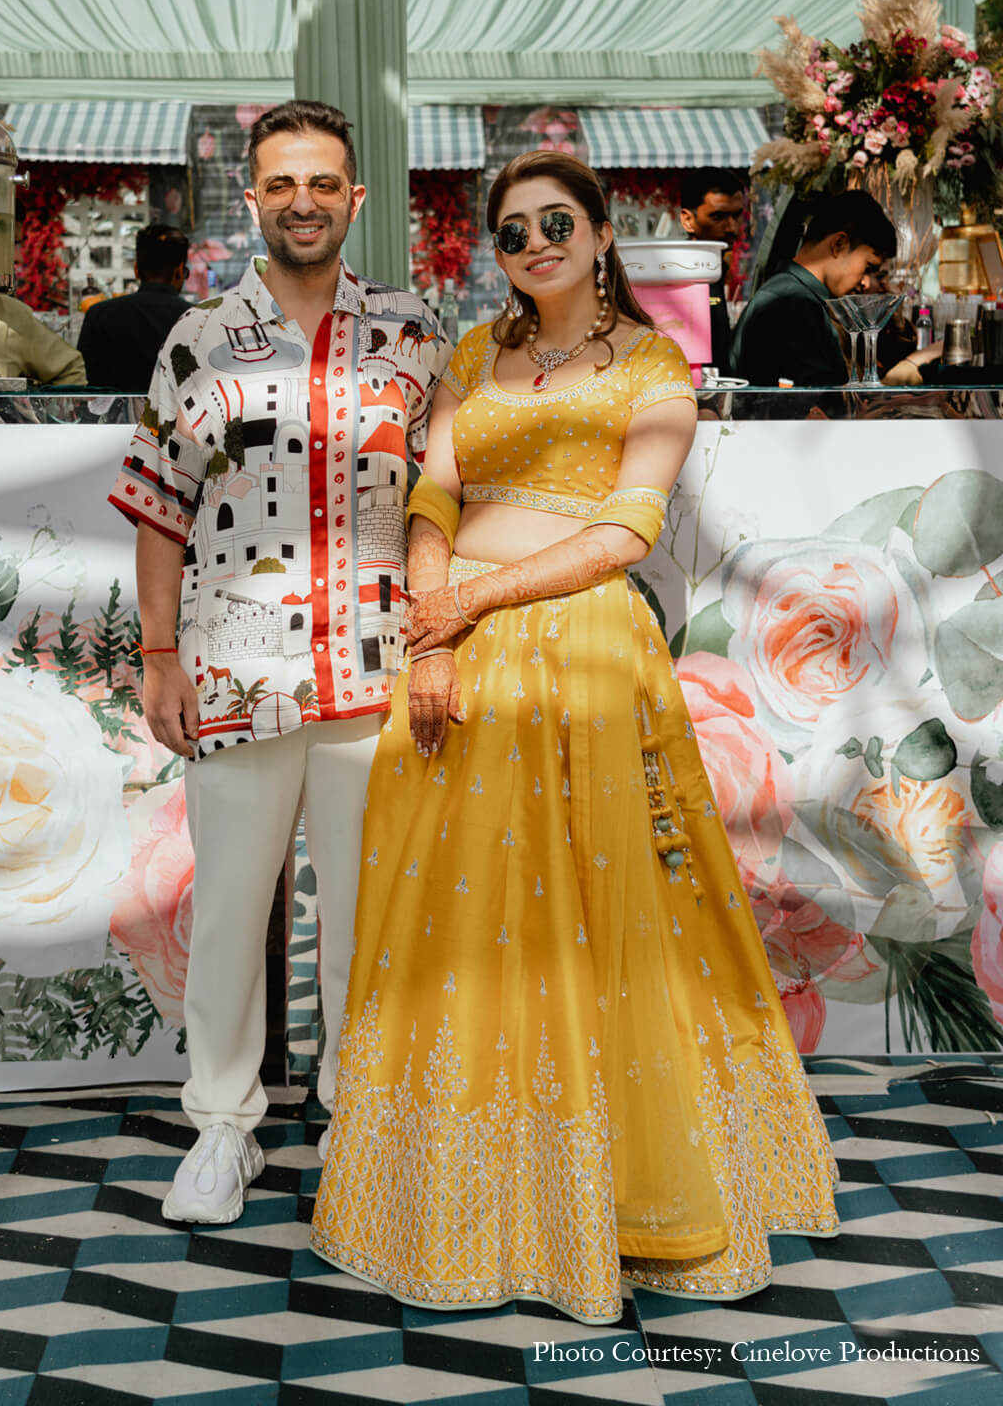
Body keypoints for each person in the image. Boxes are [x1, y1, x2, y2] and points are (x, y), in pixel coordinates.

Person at [310, 150, 838, 1324]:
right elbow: (431, 497)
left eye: (558, 223)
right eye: (512, 231)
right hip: (461, 655)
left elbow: (626, 530)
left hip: (586, 657)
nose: (536, 244)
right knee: (453, 916)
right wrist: (434, 633)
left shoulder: (652, 363)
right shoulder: (472, 357)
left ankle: (618, 1196)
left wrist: (469, 602)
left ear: (602, 234)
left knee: (602, 913)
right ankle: (466, 1201)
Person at [108, 100, 450, 1227]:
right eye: (283, 184)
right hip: (234, 671)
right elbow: (160, 508)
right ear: (251, 199)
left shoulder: (414, 331)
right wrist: (160, 656)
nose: (304, 202)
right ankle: (222, 1125)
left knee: (367, 911)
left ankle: (359, 1114)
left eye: (324, 183)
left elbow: (450, 497)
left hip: (375, 671)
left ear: (357, 199)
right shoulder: (198, 337)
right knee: (229, 910)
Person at [729, 189, 896, 388]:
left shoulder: (793, 294)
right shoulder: (793, 303)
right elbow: (818, 398)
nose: (866, 283)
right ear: (839, 244)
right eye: (868, 268)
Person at [78, 223, 191, 391]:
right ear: (180, 270)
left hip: (113, 409)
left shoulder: (99, 314)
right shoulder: (197, 318)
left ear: (136, 270)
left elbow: (86, 383)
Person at [678, 168, 747, 374]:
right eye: (718, 217)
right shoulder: (676, 276)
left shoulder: (719, 267)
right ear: (688, 220)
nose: (731, 227)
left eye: (737, 215)